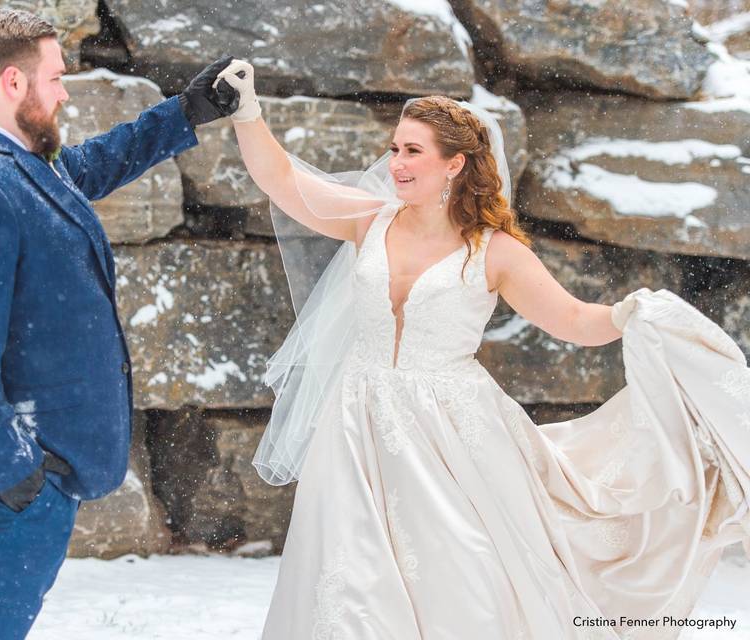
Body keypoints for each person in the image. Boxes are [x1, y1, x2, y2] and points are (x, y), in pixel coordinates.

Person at [215, 61, 750, 639]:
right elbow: (286, 183)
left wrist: (629, 315)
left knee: (463, 570)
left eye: (413, 151)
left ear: (455, 164)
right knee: (348, 578)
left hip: (453, 431)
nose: (395, 164)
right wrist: (248, 113)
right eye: (395, 148)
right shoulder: (370, 221)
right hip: (355, 420)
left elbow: (572, 319)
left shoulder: (494, 252)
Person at [0, 8, 237, 639]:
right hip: (3, 481)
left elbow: (86, 168)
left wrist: (185, 113)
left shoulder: (15, 153)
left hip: (32, 470)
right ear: (14, 83)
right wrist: (16, 473)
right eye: (57, 77)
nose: (64, 91)